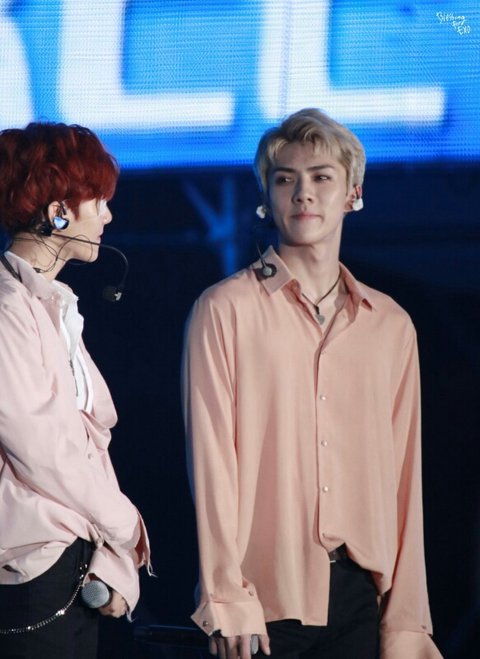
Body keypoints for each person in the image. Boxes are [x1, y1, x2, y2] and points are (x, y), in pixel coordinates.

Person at [182, 108, 442, 659]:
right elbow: (211, 466)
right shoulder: (225, 310)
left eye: (322, 177)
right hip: (262, 600)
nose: (303, 193)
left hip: (359, 598)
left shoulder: (390, 325)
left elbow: (404, 480)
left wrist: (406, 625)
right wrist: (227, 596)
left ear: (353, 193)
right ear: (266, 197)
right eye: (286, 179)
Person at [0, 122, 150, 658]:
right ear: (59, 210)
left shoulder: (54, 305)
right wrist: (125, 524)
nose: (107, 216)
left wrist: (115, 555)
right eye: (99, 201)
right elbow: (39, 446)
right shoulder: (8, 308)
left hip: (69, 563)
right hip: (28, 571)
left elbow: (89, 443)